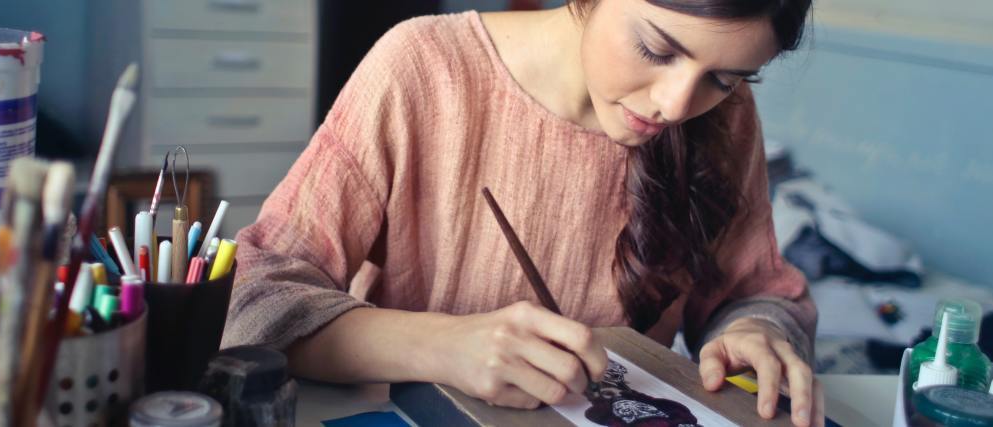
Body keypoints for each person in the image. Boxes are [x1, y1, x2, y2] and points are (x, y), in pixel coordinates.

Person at [223, 0, 822, 425]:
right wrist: (441, 346)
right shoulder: (424, 68)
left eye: (723, 77)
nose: (675, 105)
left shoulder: (722, 115)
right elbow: (253, 297)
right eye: (656, 48)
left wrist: (757, 329)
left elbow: (756, 291)